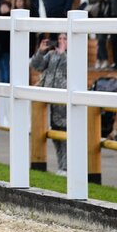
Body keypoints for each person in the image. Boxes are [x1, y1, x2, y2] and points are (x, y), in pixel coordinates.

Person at [31, 34, 69, 175]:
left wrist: (63, 53)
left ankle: (66, 167)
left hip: (64, 101)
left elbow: (72, 69)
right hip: (50, 100)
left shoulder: (73, 55)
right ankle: (61, 166)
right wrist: (41, 51)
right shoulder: (52, 54)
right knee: (55, 134)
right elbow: (36, 66)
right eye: (59, 39)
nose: (61, 42)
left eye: (64, 39)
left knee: (65, 134)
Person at [88, 0, 111, 69]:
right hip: (97, 15)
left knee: (102, 38)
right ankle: (102, 59)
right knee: (100, 38)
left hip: (107, 15)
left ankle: (101, 59)